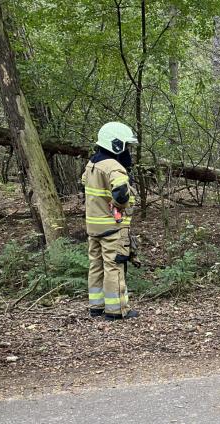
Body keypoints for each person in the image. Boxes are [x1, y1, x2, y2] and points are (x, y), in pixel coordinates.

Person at [81, 122, 138, 321]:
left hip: (93, 226)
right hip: (111, 227)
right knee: (114, 266)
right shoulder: (114, 166)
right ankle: (116, 309)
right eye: (126, 146)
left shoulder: (92, 164)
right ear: (116, 144)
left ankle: (96, 306)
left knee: (95, 265)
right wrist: (119, 204)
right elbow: (121, 192)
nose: (128, 151)